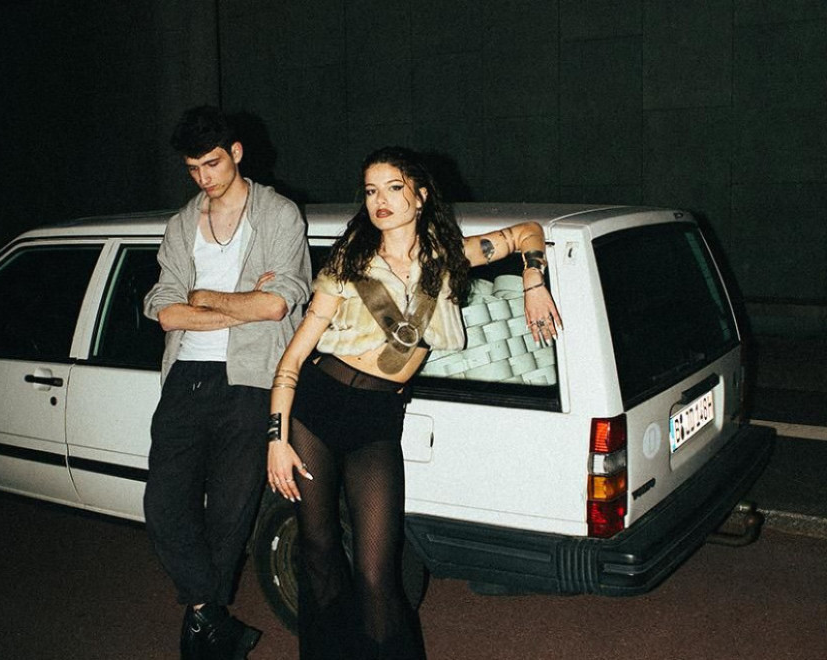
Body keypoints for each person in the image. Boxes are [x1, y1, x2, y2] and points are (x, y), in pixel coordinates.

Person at [266, 146, 561, 659]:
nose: (379, 200)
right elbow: (291, 361)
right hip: (316, 408)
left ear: (420, 197)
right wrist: (276, 440)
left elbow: (527, 232)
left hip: (377, 419)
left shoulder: (446, 260)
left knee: (377, 571)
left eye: (393, 188)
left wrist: (533, 281)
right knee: (318, 548)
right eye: (371, 191)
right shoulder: (348, 265)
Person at [142, 105, 311, 660]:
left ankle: (205, 628)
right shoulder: (180, 224)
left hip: (251, 378)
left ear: (236, 153)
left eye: (211, 163)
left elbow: (279, 303)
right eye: (193, 169)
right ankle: (209, 614)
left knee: (231, 510)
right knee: (163, 505)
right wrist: (243, 305)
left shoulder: (278, 214)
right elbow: (166, 311)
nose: (203, 177)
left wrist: (204, 298)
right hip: (186, 375)